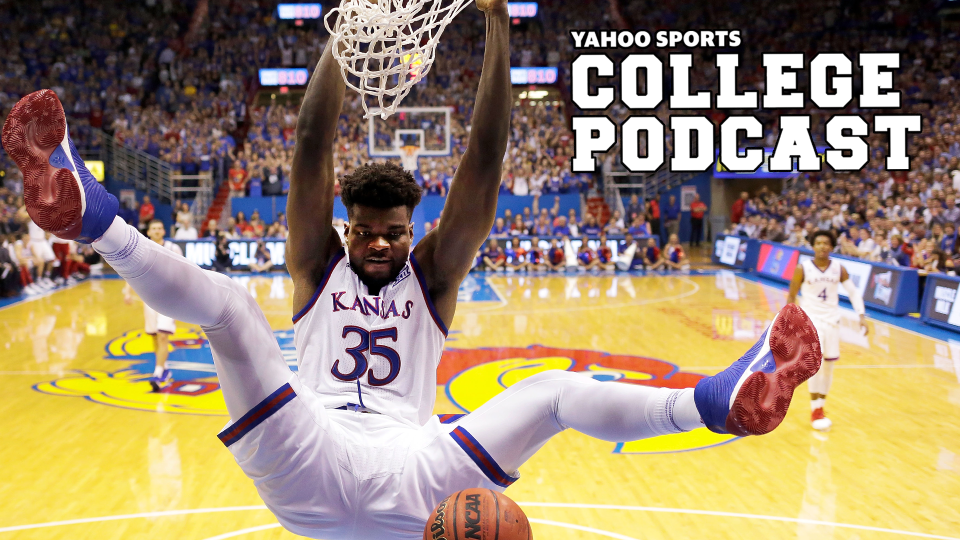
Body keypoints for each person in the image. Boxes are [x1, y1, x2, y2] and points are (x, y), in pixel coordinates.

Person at [7, 25, 821, 540]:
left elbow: (484, 163)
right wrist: (339, 41)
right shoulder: (315, 261)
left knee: (553, 396)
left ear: (413, 231)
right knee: (227, 307)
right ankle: (92, 217)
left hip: (416, 477)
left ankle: (721, 405)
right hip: (312, 449)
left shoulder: (434, 275)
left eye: (395, 232)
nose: (378, 243)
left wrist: (499, 35)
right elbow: (312, 146)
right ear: (346, 225)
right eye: (364, 229)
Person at [787, 230, 868, 431]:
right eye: (819, 243)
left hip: (832, 322)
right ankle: (815, 410)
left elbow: (853, 292)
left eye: (826, 243)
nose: (822, 246)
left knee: (829, 366)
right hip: (811, 323)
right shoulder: (802, 268)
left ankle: (821, 406)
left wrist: (861, 315)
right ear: (813, 246)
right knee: (815, 366)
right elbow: (791, 297)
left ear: (831, 247)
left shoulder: (839, 269)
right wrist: (789, 323)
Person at [123, 219, 182, 391]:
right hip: (149, 297)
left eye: (160, 228)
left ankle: (157, 374)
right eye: (153, 228)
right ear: (148, 232)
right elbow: (132, 273)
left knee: (163, 335)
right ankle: (165, 369)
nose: (157, 231)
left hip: (168, 298)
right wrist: (127, 292)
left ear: (164, 231)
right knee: (155, 336)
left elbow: (183, 270)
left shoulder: (173, 248)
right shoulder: (141, 250)